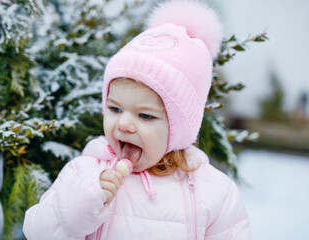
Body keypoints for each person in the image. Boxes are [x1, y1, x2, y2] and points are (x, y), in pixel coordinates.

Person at [23, 0, 251, 239]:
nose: (123, 124)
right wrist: (79, 203)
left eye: (145, 115)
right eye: (115, 109)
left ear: (179, 128)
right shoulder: (85, 173)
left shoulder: (213, 191)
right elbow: (36, 231)